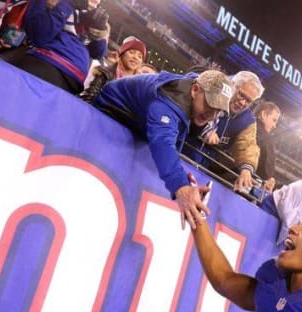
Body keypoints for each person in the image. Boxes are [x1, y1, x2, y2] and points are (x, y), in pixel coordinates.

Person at [93, 70, 232, 229]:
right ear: (195, 90)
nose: (212, 115)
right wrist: (181, 186)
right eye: (210, 104)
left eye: (218, 110)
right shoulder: (168, 101)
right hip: (108, 114)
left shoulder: (195, 91)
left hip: (132, 122)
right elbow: (162, 143)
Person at [192, 71, 264, 192]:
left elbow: (248, 145)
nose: (242, 103)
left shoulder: (248, 120)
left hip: (203, 167)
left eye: (248, 101)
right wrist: (205, 129)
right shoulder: (214, 86)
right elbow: (191, 106)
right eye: (241, 95)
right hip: (179, 148)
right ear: (232, 84)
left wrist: (247, 168)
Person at [80, 36, 147, 102]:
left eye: (140, 56)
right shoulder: (104, 73)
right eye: (132, 52)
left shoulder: (139, 87)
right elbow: (88, 98)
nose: (135, 57)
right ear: (122, 54)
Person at [253, 101, 281, 192]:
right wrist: (270, 179)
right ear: (264, 114)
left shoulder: (243, 121)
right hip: (244, 183)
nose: (274, 126)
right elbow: (266, 172)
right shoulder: (266, 138)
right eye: (274, 120)